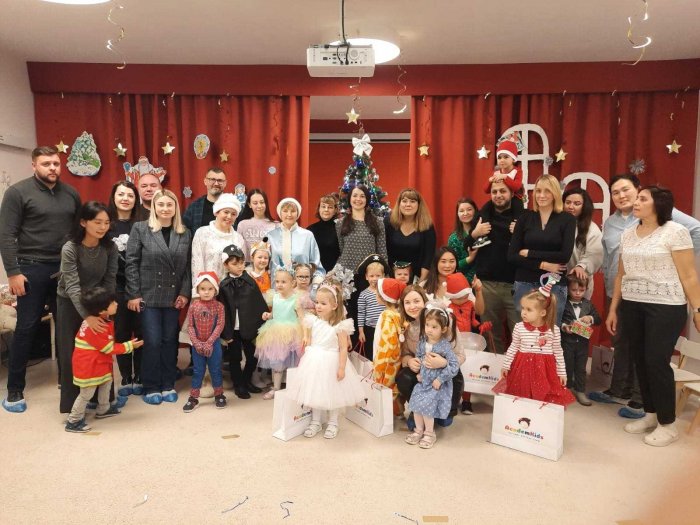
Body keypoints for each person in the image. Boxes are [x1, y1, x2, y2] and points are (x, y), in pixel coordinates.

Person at [591, 173, 700, 418]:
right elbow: (615, 264)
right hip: (624, 295)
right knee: (628, 348)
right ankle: (626, 394)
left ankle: (650, 408)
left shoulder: (670, 225)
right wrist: (612, 300)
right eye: (615, 192)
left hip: (661, 301)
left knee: (654, 357)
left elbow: (691, 262)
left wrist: (675, 263)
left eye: (627, 191)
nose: (622, 196)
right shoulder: (616, 226)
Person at [0, 146, 81, 413]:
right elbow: (6, 235)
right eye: (46, 164)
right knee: (26, 327)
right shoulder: (17, 193)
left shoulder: (71, 193)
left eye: (56, 163)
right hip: (30, 268)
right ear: (34, 165)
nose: (52, 168)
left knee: (67, 326)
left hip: (65, 269)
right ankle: (15, 390)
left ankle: (66, 381)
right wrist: (13, 272)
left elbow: (78, 231)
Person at [125, 189, 191, 405]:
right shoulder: (140, 228)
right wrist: (134, 294)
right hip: (148, 295)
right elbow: (131, 262)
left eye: (169, 205)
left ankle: (168, 383)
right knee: (152, 341)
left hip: (173, 296)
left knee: (169, 340)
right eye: (160, 204)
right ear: (153, 207)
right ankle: (151, 385)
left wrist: (184, 292)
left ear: (175, 208)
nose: (165, 208)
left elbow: (188, 267)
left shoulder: (184, 232)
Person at [57, 202, 119, 414]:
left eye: (106, 223)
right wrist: (88, 317)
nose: (103, 227)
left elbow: (110, 280)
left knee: (102, 349)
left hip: (98, 302)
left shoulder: (110, 247)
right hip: (69, 302)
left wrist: (104, 309)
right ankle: (72, 407)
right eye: (97, 222)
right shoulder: (70, 248)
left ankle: (103, 402)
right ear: (83, 222)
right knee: (71, 352)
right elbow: (72, 286)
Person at [287, 280, 366, 440]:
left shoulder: (340, 326)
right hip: (315, 360)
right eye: (317, 302)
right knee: (315, 391)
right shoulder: (313, 321)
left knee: (333, 392)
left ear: (334, 306)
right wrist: (307, 355)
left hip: (332, 361)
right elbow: (310, 340)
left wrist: (342, 367)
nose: (318, 306)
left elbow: (343, 348)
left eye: (323, 303)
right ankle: (316, 421)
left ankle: (333, 422)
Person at [65, 287, 142, 432]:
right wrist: (129, 346)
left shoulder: (102, 320)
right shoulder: (96, 327)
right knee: (86, 394)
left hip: (98, 364)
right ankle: (73, 420)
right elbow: (108, 348)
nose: (117, 304)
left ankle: (104, 409)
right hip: (89, 367)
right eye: (112, 303)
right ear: (102, 310)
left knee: (106, 383)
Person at [493, 274, 575, 406]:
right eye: (523, 308)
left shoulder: (553, 330)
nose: (523, 312)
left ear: (542, 313)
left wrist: (562, 373)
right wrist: (506, 365)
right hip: (522, 368)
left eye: (529, 309)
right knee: (521, 396)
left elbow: (558, 352)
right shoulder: (519, 327)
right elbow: (513, 347)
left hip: (545, 371)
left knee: (543, 397)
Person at [508, 174, 576, 326]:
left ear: (555, 193)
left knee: (550, 332)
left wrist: (530, 253)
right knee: (525, 332)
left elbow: (564, 256)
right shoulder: (524, 218)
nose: (541, 195)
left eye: (547, 191)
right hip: (524, 283)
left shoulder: (567, 220)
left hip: (554, 285)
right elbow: (512, 256)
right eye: (538, 191)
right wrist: (543, 265)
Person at [470, 180, 523, 355]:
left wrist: (521, 232)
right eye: (494, 192)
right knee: (492, 334)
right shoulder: (482, 216)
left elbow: (531, 247)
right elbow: (468, 245)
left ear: (512, 193)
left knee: (521, 334)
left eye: (503, 191)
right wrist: (474, 234)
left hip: (516, 285)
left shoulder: (523, 217)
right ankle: (495, 369)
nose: (498, 195)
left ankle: (520, 369)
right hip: (488, 285)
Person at [336, 185, 388, 341]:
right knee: (350, 311)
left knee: (369, 311)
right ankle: (350, 346)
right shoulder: (340, 223)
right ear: (349, 199)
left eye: (362, 196)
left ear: (367, 199)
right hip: (347, 276)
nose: (358, 199)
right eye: (355, 196)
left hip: (369, 276)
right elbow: (342, 249)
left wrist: (384, 275)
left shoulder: (377, 222)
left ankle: (367, 346)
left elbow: (382, 250)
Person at [404, 305, 460, 449]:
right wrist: (420, 371)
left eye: (434, 327)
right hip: (424, 382)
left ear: (443, 329)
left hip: (437, 384)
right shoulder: (423, 341)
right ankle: (418, 430)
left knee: (427, 407)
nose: (429, 329)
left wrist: (440, 379)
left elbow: (454, 366)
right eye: (427, 325)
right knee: (416, 404)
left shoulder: (445, 345)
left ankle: (429, 433)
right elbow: (420, 356)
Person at [107, 180, 143, 397]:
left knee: (140, 330)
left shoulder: (143, 223)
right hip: (116, 286)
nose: (125, 199)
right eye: (121, 194)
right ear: (113, 197)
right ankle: (126, 376)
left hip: (139, 285)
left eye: (130, 195)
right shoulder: (106, 224)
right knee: (121, 331)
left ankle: (139, 375)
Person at [219, 245, 269, 400]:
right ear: (226, 265)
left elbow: (258, 304)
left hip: (249, 327)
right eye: (235, 264)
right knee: (235, 358)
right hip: (232, 330)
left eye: (241, 263)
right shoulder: (224, 286)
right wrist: (226, 333)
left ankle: (246, 380)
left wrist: (261, 325)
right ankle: (238, 385)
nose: (239, 266)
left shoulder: (250, 282)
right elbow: (222, 311)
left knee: (253, 356)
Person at [255, 266, 304, 400]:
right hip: (275, 334)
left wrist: (305, 333)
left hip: (292, 334)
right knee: (276, 363)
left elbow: (301, 318)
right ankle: (276, 388)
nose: (279, 285)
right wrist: (268, 315)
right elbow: (274, 313)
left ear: (293, 283)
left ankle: (292, 388)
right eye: (277, 282)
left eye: (283, 282)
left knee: (293, 363)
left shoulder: (296, 299)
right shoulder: (275, 297)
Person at [443, 272, 488, 415]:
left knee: (468, 372)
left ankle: (467, 401)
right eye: (459, 297)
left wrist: (481, 326)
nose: (463, 299)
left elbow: (474, 319)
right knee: (453, 373)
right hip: (453, 344)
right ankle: (451, 401)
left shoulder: (470, 304)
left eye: (465, 296)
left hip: (468, 342)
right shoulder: (447, 308)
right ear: (451, 296)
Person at [182, 272, 226, 412]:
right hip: (197, 346)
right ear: (197, 290)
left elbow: (220, 325)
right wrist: (196, 342)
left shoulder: (219, 306)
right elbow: (190, 326)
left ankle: (219, 394)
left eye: (210, 289)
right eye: (203, 289)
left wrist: (209, 342)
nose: (206, 292)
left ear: (215, 290)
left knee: (215, 369)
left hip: (214, 344)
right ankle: (193, 397)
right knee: (198, 370)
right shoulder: (193, 306)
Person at [474, 139, 525, 249]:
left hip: (515, 198)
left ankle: (515, 236)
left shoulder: (517, 171)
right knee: (485, 208)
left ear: (513, 159)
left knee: (518, 211)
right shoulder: (496, 172)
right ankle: (483, 236)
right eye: (499, 157)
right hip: (501, 203)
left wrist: (505, 178)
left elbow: (517, 186)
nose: (502, 160)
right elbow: (486, 190)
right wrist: (490, 181)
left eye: (506, 157)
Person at [561, 275, 602, 406]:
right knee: (566, 366)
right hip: (567, 342)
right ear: (568, 289)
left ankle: (580, 391)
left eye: (581, 290)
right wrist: (564, 326)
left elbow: (598, 319)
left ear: (586, 289)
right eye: (574, 290)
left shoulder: (588, 304)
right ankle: (566, 389)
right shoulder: (563, 303)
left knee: (581, 368)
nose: (578, 293)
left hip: (583, 343)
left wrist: (590, 318)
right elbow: (557, 319)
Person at [384, 188, 436, 283]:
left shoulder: (427, 226)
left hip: (418, 278)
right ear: (399, 204)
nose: (408, 204)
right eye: (404, 201)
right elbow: (383, 251)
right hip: (391, 277)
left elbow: (428, 257)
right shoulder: (388, 222)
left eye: (412, 201)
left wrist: (420, 282)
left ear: (419, 205)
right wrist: (387, 278)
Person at [267, 197, 325, 283]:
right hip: (277, 286)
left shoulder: (307, 235)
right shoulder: (270, 236)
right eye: (285, 211)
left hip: (301, 286)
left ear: (298, 213)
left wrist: (316, 283)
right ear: (280, 213)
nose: (289, 214)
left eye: (293, 211)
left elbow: (316, 265)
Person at [190, 193, 245, 280]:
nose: (229, 216)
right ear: (217, 212)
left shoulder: (238, 238)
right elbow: (197, 266)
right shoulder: (202, 233)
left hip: (233, 287)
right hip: (208, 287)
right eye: (226, 212)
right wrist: (200, 287)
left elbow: (241, 268)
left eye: (233, 214)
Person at [373, 277, 406, 413]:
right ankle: (396, 410)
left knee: (385, 388)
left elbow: (387, 342)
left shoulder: (387, 315)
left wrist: (380, 364)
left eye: (377, 292)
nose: (375, 294)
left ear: (384, 296)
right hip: (395, 359)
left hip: (385, 361)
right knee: (392, 386)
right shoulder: (398, 314)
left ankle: (387, 413)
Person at [563, 187, 603, 299]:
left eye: (577, 204)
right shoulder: (557, 224)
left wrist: (581, 266)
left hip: (579, 282)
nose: (571, 207)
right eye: (568, 202)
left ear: (584, 207)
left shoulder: (592, 229)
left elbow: (595, 254)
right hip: (555, 279)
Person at [356, 255, 389, 360]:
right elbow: (361, 313)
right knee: (371, 354)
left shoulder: (386, 293)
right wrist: (361, 331)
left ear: (383, 276)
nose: (375, 279)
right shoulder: (363, 294)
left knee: (384, 353)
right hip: (370, 329)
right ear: (366, 277)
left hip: (385, 328)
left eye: (378, 275)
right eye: (371, 276)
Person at [235, 188, 277, 260]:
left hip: (268, 266)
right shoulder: (242, 225)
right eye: (255, 203)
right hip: (247, 265)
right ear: (249, 204)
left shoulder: (276, 225)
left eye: (262, 202)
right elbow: (239, 249)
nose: (259, 206)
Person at [182, 167, 227, 232]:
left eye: (220, 180)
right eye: (212, 179)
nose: (216, 183)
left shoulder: (234, 207)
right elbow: (185, 233)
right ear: (205, 181)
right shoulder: (194, 207)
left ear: (225, 183)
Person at [447, 198, 479, 283]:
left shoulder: (483, 232)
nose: (465, 213)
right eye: (461, 211)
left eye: (469, 209)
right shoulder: (453, 238)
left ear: (475, 211)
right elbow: (451, 265)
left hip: (485, 281)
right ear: (457, 214)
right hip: (462, 282)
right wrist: (470, 258)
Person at [307, 194, 341, 273]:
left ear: (335, 210)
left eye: (330, 207)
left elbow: (343, 255)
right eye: (323, 206)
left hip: (333, 274)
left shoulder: (340, 230)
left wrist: (333, 272)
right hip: (313, 273)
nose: (326, 210)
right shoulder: (309, 230)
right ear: (319, 209)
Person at [247, 238, 273, 306]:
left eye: (266, 258)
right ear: (252, 258)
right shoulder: (247, 277)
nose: (263, 260)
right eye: (260, 257)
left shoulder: (271, 276)